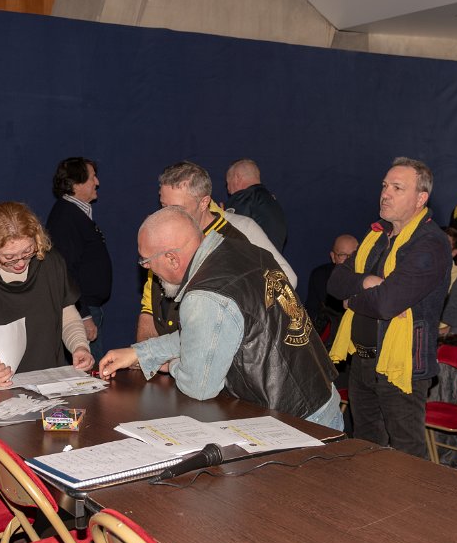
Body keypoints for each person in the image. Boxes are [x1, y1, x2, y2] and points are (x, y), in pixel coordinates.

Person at [99, 207, 342, 429]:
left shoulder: (205, 296)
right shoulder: (243, 249)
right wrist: (141, 353)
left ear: (172, 258)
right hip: (321, 397)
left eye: (146, 261)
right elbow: (205, 333)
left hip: (296, 421)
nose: (146, 268)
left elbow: (199, 386)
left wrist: (171, 364)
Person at [327, 157, 452, 458]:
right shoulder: (376, 235)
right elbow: (335, 281)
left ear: (420, 199)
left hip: (402, 365)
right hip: (362, 362)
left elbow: (386, 303)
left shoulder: (430, 243)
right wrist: (367, 281)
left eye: (397, 188)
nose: (386, 194)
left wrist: (353, 300)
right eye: (385, 186)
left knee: (405, 458)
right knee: (366, 451)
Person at [137, 161, 296, 342]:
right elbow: (150, 305)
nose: (168, 215)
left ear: (204, 202)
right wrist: (144, 350)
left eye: (178, 209)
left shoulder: (233, 243)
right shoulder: (163, 235)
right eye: (164, 206)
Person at [0, 202, 93, 387]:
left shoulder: (50, 261)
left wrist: (79, 346)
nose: (20, 263)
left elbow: (67, 317)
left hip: (48, 383)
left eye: (27, 252)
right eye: (9, 257)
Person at [45, 157, 112, 361]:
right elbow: (65, 271)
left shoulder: (73, 213)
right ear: (76, 184)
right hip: (82, 309)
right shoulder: (66, 217)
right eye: (92, 177)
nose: (97, 182)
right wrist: (83, 315)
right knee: (89, 372)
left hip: (87, 307)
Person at [305, 234, 358, 345]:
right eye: (343, 255)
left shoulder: (367, 280)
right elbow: (311, 314)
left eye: (354, 255)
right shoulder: (321, 276)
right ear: (333, 257)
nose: (349, 260)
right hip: (329, 341)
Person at [224, 158, 288, 250]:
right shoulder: (272, 201)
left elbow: (228, 236)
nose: (228, 190)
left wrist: (220, 218)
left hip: (250, 257)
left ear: (237, 178)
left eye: (228, 183)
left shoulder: (243, 197)